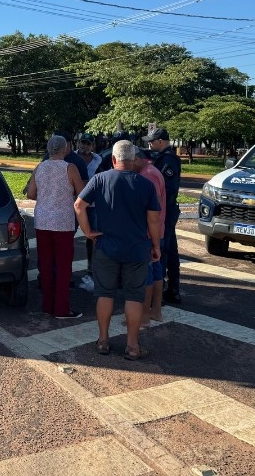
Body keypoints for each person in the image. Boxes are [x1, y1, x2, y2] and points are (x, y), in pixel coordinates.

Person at [74, 140, 161, 360]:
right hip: (137, 249)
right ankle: (132, 346)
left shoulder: (100, 179)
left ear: (113, 159)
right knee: (134, 296)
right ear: (133, 160)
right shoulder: (146, 185)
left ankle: (103, 340)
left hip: (106, 247)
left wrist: (88, 231)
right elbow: (153, 220)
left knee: (104, 293)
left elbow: (78, 205)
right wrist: (156, 245)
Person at [26, 134, 86, 319]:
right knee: (63, 266)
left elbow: (30, 194)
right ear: (65, 148)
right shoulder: (70, 167)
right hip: (63, 222)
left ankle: (47, 305)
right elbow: (82, 192)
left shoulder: (40, 167)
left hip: (42, 221)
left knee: (45, 264)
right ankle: (61, 308)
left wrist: (46, 198)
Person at [143, 127, 182, 304]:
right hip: (166, 210)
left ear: (160, 141)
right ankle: (172, 289)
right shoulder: (161, 158)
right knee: (170, 250)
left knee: (164, 251)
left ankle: (166, 291)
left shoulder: (169, 160)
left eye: (151, 141)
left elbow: (169, 189)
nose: (150, 144)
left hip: (166, 211)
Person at [135, 148, 166, 324]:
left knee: (147, 273)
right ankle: (155, 311)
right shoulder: (152, 171)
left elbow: (151, 208)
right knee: (156, 271)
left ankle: (145, 316)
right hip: (156, 231)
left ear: (137, 159)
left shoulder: (147, 175)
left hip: (149, 232)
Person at [76, 133, 102, 276]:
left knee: (92, 235)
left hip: (92, 204)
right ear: (78, 143)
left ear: (92, 146)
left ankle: (92, 267)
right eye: (83, 142)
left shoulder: (98, 160)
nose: (84, 146)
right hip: (74, 202)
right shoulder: (72, 157)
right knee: (68, 235)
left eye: (88, 143)